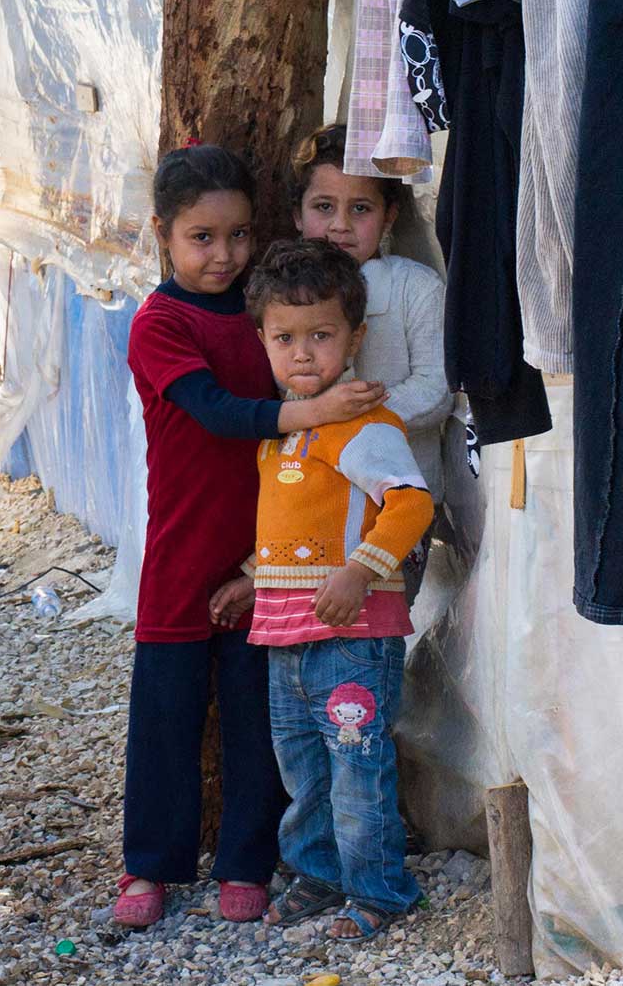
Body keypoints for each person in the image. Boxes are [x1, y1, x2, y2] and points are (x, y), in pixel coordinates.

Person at [117, 145, 386, 930]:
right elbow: (214, 410)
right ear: (163, 232)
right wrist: (310, 412)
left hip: (268, 549)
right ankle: (149, 865)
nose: (224, 254)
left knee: (258, 718)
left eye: (238, 236)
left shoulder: (262, 313)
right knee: (165, 716)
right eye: (203, 237)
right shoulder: (159, 322)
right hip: (181, 547)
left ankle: (244, 861)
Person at [212, 238, 433, 943]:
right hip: (284, 636)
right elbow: (293, 527)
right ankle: (320, 872)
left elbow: (411, 504)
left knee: (357, 768)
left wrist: (361, 570)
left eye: (320, 335)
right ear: (264, 341)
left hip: (353, 638)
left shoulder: (363, 426)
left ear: (355, 338)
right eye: (285, 337)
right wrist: (251, 580)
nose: (302, 352)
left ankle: (381, 889)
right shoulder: (280, 436)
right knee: (304, 766)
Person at [288, 123, 454, 596]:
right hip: (308, 502)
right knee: (312, 623)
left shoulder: (414, 289)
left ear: (388, 217)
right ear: (298, 216)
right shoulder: (281, 291)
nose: (339, 225)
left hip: (396, 509)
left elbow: (435, 388)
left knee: (378, 631)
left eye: (359, 208)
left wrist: (351, 417)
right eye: (324, 207)